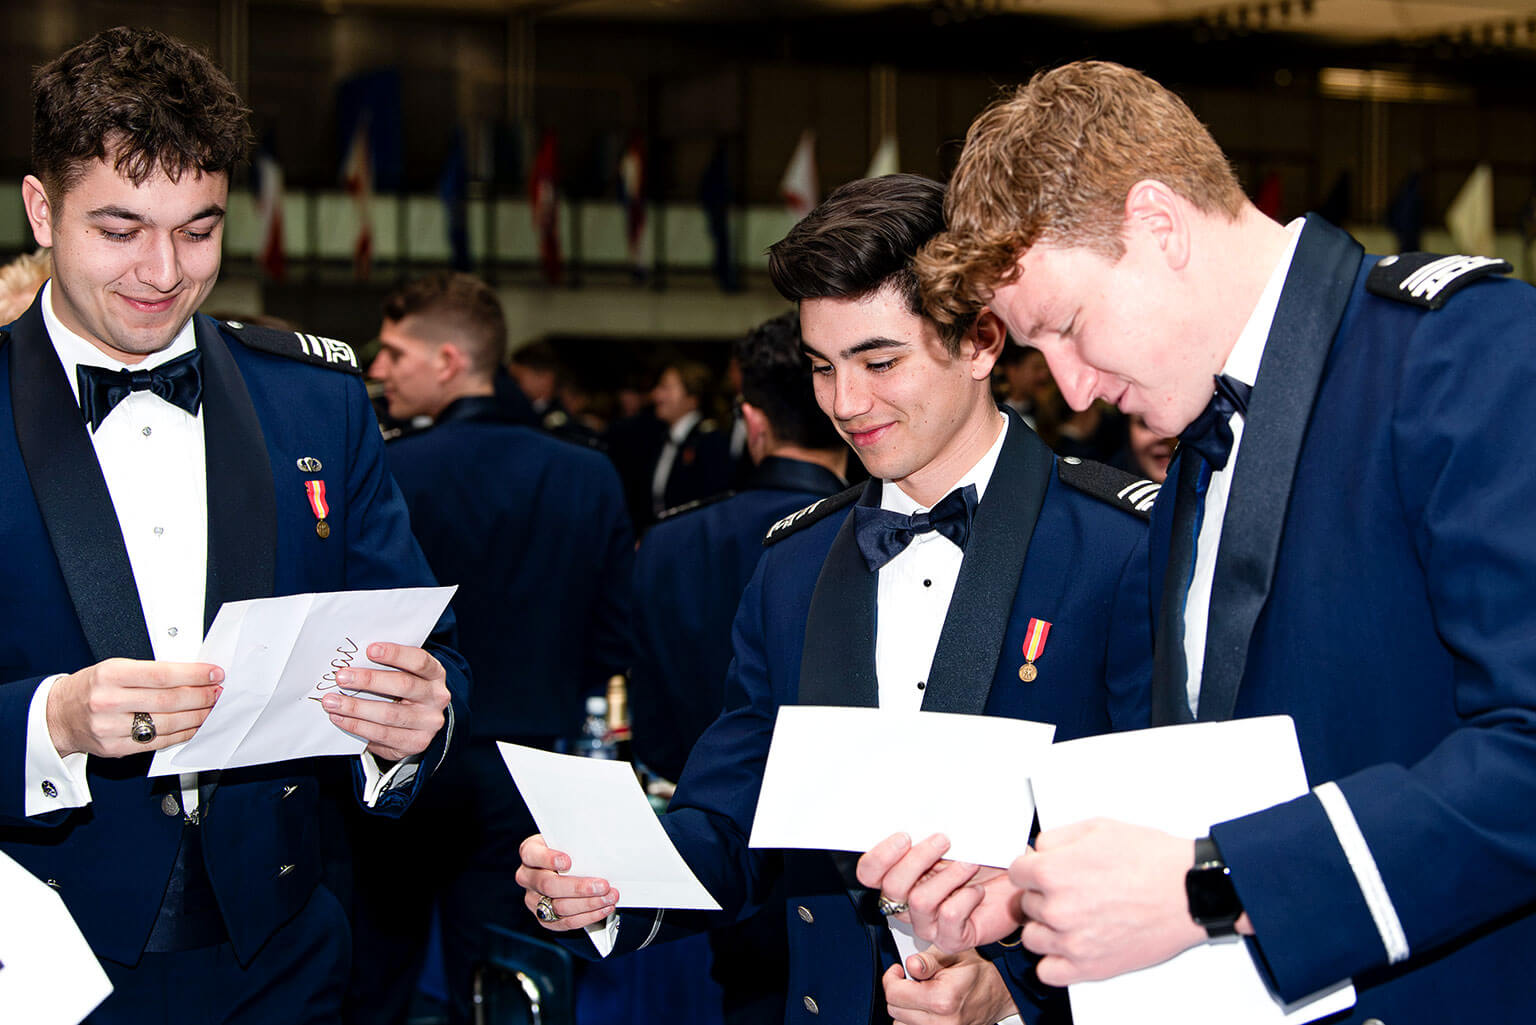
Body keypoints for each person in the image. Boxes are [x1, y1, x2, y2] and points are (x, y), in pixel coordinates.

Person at [872, 59, 1536, 1025]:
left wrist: (1208, 887)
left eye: (1068, 327)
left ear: (1159, 226)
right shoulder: (1198, 454)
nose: (1074, 391)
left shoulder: (1468, 356)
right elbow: (1226, 788)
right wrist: (1036, 896)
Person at [517, 174, 1154, 1025]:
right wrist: (613, 876)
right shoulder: (792, 564)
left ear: (982, 340)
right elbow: (734, 809)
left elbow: (1154, 843)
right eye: (823, 367)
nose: (845, 405)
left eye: (879, 361)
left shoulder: (1120, 549)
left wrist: (1014, 988)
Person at [0, 27, 469, 1024]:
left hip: (284, 950)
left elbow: (434, 656)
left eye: (199, 228)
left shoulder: (315, 400)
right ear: (42, 209)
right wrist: (55, 722)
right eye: (120, 228)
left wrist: (414, 723)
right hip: (37, 953)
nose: (163, 271)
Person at [352, 271, 634, 1025]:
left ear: (447, 361)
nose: (378, 371)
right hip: (533, 772)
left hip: (405, 770)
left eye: (392, 353)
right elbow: (614, 635)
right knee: (516, 987)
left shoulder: (385, 471)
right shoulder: (587, 470)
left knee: (377, 983)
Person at [629, 310, 848, 1025]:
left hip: (708, 841)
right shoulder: (849, 539)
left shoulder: (671, 539)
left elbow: (653, 718)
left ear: (752, 420)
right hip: (843, 873)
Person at [648, 359, 733, 519]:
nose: (656, 395)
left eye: (666, 388)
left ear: (692, 398)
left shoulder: (709, 443)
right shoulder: (660, 440)